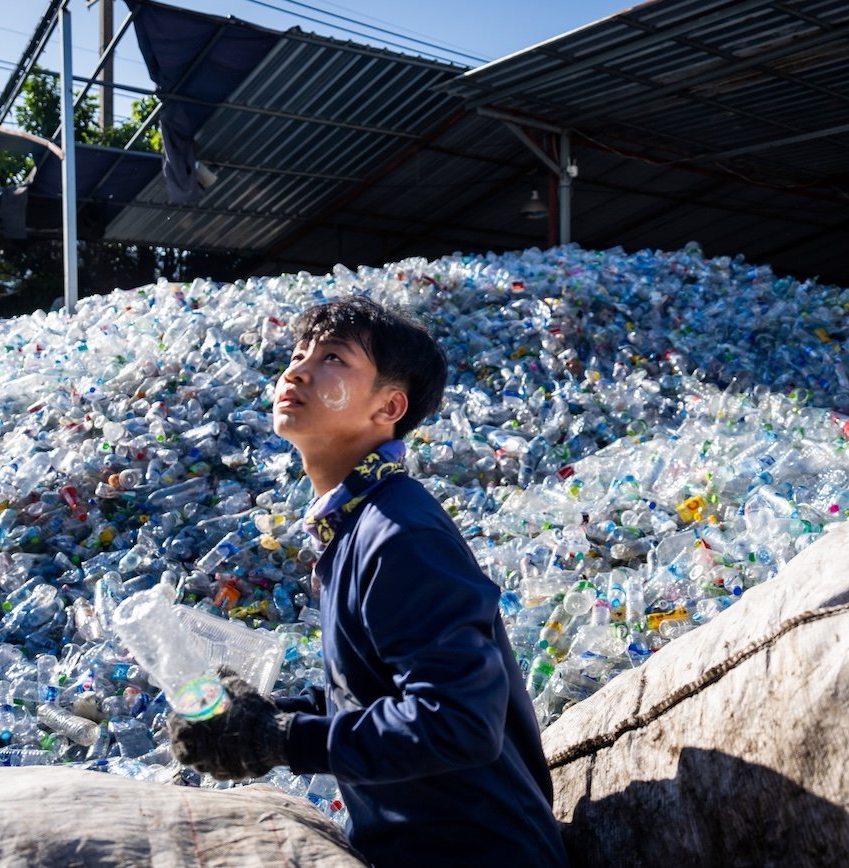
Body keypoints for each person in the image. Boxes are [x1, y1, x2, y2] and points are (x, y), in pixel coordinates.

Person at [168, 295, 568, 867]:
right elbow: (372, 695)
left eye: (333, 358)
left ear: (389, 407)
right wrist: (256, 715)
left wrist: (279, 740)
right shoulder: (355, 523)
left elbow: (457, 722)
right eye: (299, 353)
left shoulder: (400, 534)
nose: (298, 369)